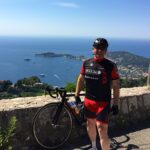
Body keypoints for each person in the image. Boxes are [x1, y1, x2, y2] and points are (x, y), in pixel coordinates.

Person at [75, 38, 120, 150]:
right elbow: (80, 79)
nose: (99, 50)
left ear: (105, 51)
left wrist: (115, 104)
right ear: (92, 49)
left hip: (103, 102)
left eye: (102, 48)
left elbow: (115, 86)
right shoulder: (86, 63)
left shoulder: (111, 66)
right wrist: (76, 96)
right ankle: (94, 147)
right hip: (88, 101)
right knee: (90, 124)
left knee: (101, 128)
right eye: (96, 48)